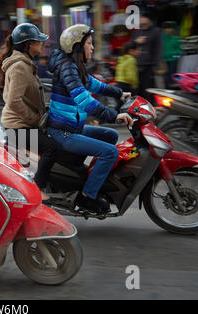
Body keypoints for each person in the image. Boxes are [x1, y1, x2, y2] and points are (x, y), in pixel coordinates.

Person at [47, 24, 133, 213]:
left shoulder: (75, 67)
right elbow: (85, 101)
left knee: (110, 136)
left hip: (73, 128)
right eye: (89, 43)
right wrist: (115, 115)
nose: (92, 47)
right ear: (77, 47)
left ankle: (93, 181)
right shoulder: (67, 68)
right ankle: (87, 197)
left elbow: (96, 85)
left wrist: (119, 93)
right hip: (63, 132)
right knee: (110, 151)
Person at [0, 23, 63, 204]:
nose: (41, 44)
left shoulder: (26, 64)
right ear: (27, 45)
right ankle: (38, 188)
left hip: (25, 124)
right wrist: (35, 119)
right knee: (53, 148)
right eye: (38, 41)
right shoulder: (20, 67)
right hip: (17, 128)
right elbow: (14, 101)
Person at [132, 13, 162, 101]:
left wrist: (155, 65)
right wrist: (136, 42)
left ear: (149, 20)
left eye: (144, 19)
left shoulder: (156, 31)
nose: (141, 21)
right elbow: (130, 47)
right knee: (137, 90)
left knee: (148, 90)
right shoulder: (137, 31)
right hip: (136, 65)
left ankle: (150, 109)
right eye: (140, 19)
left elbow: (158, 49)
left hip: (149, 66)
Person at [115, 41, 140, 108]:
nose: (139, 52)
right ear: (131, 51)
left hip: (119, 84)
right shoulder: (132, 60)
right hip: (126, 86)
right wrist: (135, 86)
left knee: (121, 105)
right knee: (128, 105)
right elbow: (131, 77)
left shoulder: (122, 59)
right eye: (137, 50)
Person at [161, 21, 182, 89]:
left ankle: (170, 91)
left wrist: (172, 56)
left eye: (169, 28)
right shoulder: (161, 38)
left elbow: (180, 52)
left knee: (171, 77)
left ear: (173, 29)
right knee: (163, 78)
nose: (168, 30)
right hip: (163, 61)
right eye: (166, 28)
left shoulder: (176, 39)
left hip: (172, 61)